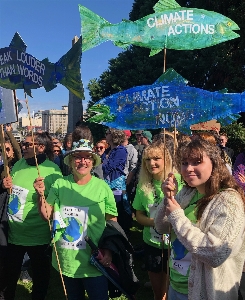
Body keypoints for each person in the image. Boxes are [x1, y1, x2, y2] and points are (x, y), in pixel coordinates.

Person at [155, 138, 245, 300]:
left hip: (205, 291)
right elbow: (161, 228)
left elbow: (216, 253)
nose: (189, 168)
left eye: (197, 162)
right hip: (176, 284)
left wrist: (176, 216)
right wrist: (168, 199)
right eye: (184, 162)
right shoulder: (188, 192)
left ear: (215, 164)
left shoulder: (228, 201)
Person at [34, 139, 118, 300]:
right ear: (71, 161)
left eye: (87, 157)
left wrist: (109, 250)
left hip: (95, 259)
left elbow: (112, 221)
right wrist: (40, 195)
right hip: (67, 260)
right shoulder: (60, 184)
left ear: (93, 162)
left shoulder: (103, 187)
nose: (82, 161)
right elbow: (47, 216)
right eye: (78, 157)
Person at [2, 132, 62, 300]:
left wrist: (42, 193)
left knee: (40, 279)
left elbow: (57, 201)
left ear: (41, 148)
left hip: (39, 236)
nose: (23, 147)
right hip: (14, 234)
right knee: (8, 279)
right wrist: (5, 183)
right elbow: (10, 190)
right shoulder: (19, 164)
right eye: (23, 143)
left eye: (28, 145)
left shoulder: (52, 170)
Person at [132, 141, 183, 300]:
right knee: (158, 293)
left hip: (173, 242)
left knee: (171, 290)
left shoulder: (178, 181)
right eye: (147, 159)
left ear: (166, 159)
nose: (151, 163)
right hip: (152, 243)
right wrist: (155, 222)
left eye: (156, 158)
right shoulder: (143, 184)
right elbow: (138, 214)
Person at [0, 125, 22, 297]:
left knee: (11, 260)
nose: (6, 152)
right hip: (1, 220)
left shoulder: (18, 167)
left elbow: (17, 149)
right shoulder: (1, 170)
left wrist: (8, 131)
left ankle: (9, 290)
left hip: (16, 220)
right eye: (2, 150)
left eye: (8, 150)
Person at [103, 129, 129, 234]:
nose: (105, 135)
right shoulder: (108, 150)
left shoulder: (121, 150)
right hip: (107, 183)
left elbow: (108, 167)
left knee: (117, 209)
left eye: (107, 133)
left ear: (114, 135)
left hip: (116, 184)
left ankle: (121, 234)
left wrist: (103, 162)